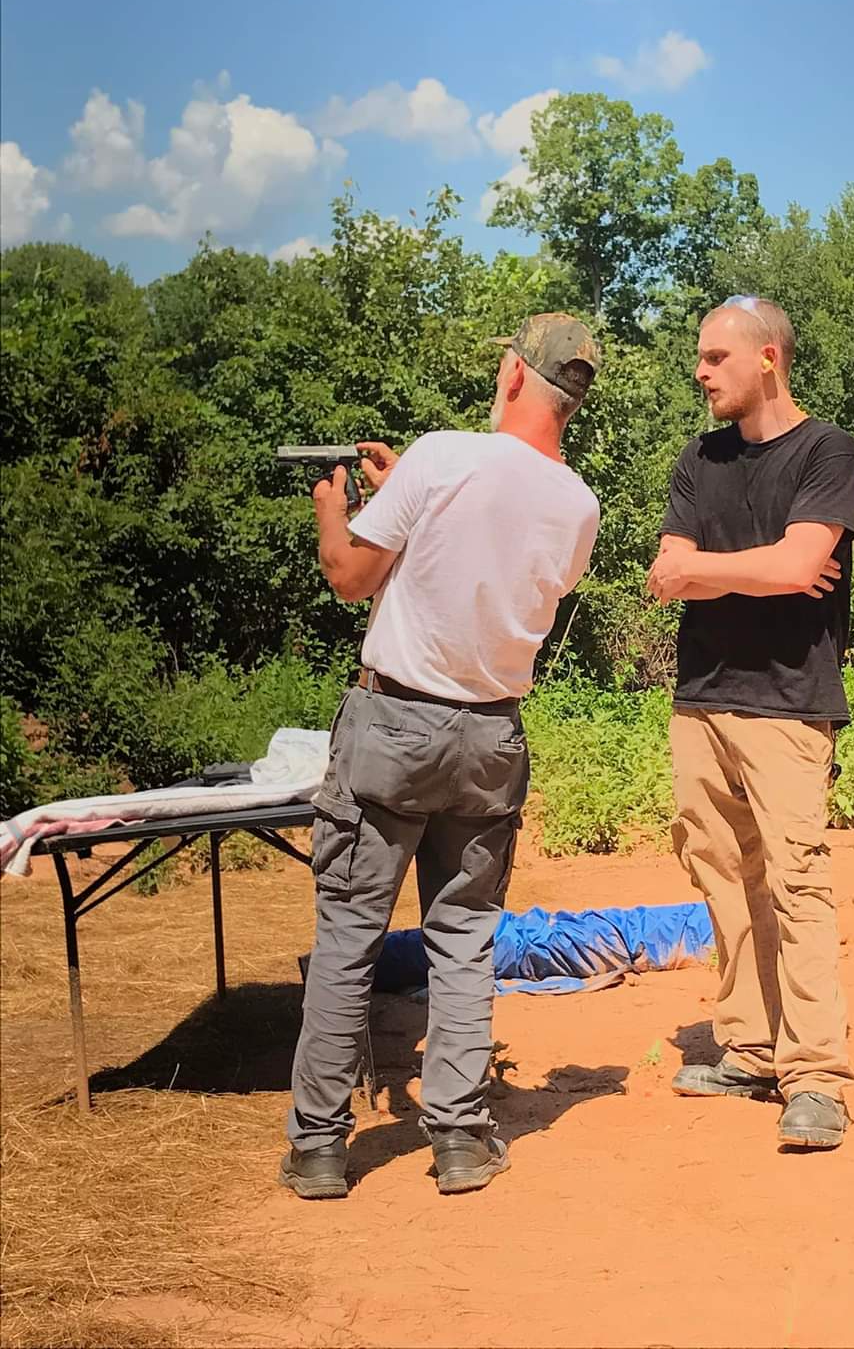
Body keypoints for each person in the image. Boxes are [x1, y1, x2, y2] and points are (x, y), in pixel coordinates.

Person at [281, 314, 601, 1199]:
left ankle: (320, 1147)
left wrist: (337, 510)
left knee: (349, 937)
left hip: (394, 724)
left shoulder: (441, 455)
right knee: (462, 941)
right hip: (491, 736)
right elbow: (493, 560)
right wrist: (409, 494)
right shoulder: (579, 504)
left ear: (513, 375)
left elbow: (350, 576)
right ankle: (459, 1140)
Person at [647, 295, 854, 1150]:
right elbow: (666, 574)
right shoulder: (700, 457)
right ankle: (749, 1049)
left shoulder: (826, 449)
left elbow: (801, 564)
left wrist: (718, 569)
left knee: (795, 882)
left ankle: (816, 1078)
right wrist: (763, 568)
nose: (700, 372)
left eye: (714, 358)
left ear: (768, 357)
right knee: (722, 878)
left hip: (789, 703)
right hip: (701, 699)